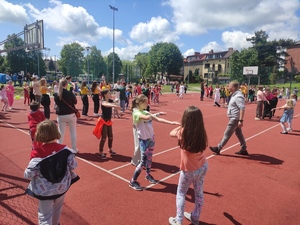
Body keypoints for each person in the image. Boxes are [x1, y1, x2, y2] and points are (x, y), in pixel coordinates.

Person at [24, 119, 80, 225]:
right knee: (57, 210)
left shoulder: (36, 153)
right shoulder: (65, 150)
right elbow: (74, 165)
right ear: (55, 132)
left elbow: (28, 174)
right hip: (61, 187)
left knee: (44, 216)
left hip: (44, 191)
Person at [129, 94, 180, 191]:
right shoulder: (136, 112)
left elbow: (158, 120)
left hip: (151, 139)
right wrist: (152, 115)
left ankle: (148, 175)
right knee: (143, 162)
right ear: (140, 103)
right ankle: (133, 181)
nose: (148, 103)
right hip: (143, 140)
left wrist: (172, 122)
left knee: (149, 157)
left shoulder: (145, 111)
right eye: (146, 102)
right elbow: (144, 117)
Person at [168, 106, 208, 225]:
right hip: (202, 166)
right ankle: (195, 217)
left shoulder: (183, 132)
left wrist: (182, 125)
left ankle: (178, 219)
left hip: (189, 170)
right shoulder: (201, 132)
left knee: (181, 193)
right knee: (199, 193)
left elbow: (171, 133)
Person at [209, 81, 248, 155]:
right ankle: (244, 149)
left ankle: (218, 148)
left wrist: (241, 120)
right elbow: (235, 106)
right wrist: (226, 106)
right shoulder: (234, 95)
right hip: (234, 118)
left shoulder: (238, 96)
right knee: (239, 134)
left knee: (227, 134)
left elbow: (242, 108)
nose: (227, 87)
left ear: (233, 87)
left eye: (229, 86)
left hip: (235, 118)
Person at [93, 89, 121, 159]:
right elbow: (107, 104)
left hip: (109, 120)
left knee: (111, 136)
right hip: (103, 120)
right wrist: (114, 105)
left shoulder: (111, 101)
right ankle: (100, 152)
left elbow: (115, 105)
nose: (110, 94)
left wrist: (116, 104)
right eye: (109, 93)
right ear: (105, 94)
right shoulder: (103, 101)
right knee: (104, 137)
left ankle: (110, 149)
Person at [53, 78, 78, 153]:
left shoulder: (56, 94)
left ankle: (58, 148)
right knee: (73, 132)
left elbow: (57, 103)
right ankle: (74, 148)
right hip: (70, 114)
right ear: (66, 85)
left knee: (60, 132)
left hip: (61, 115)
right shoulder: (69, 93)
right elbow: (75, 102)